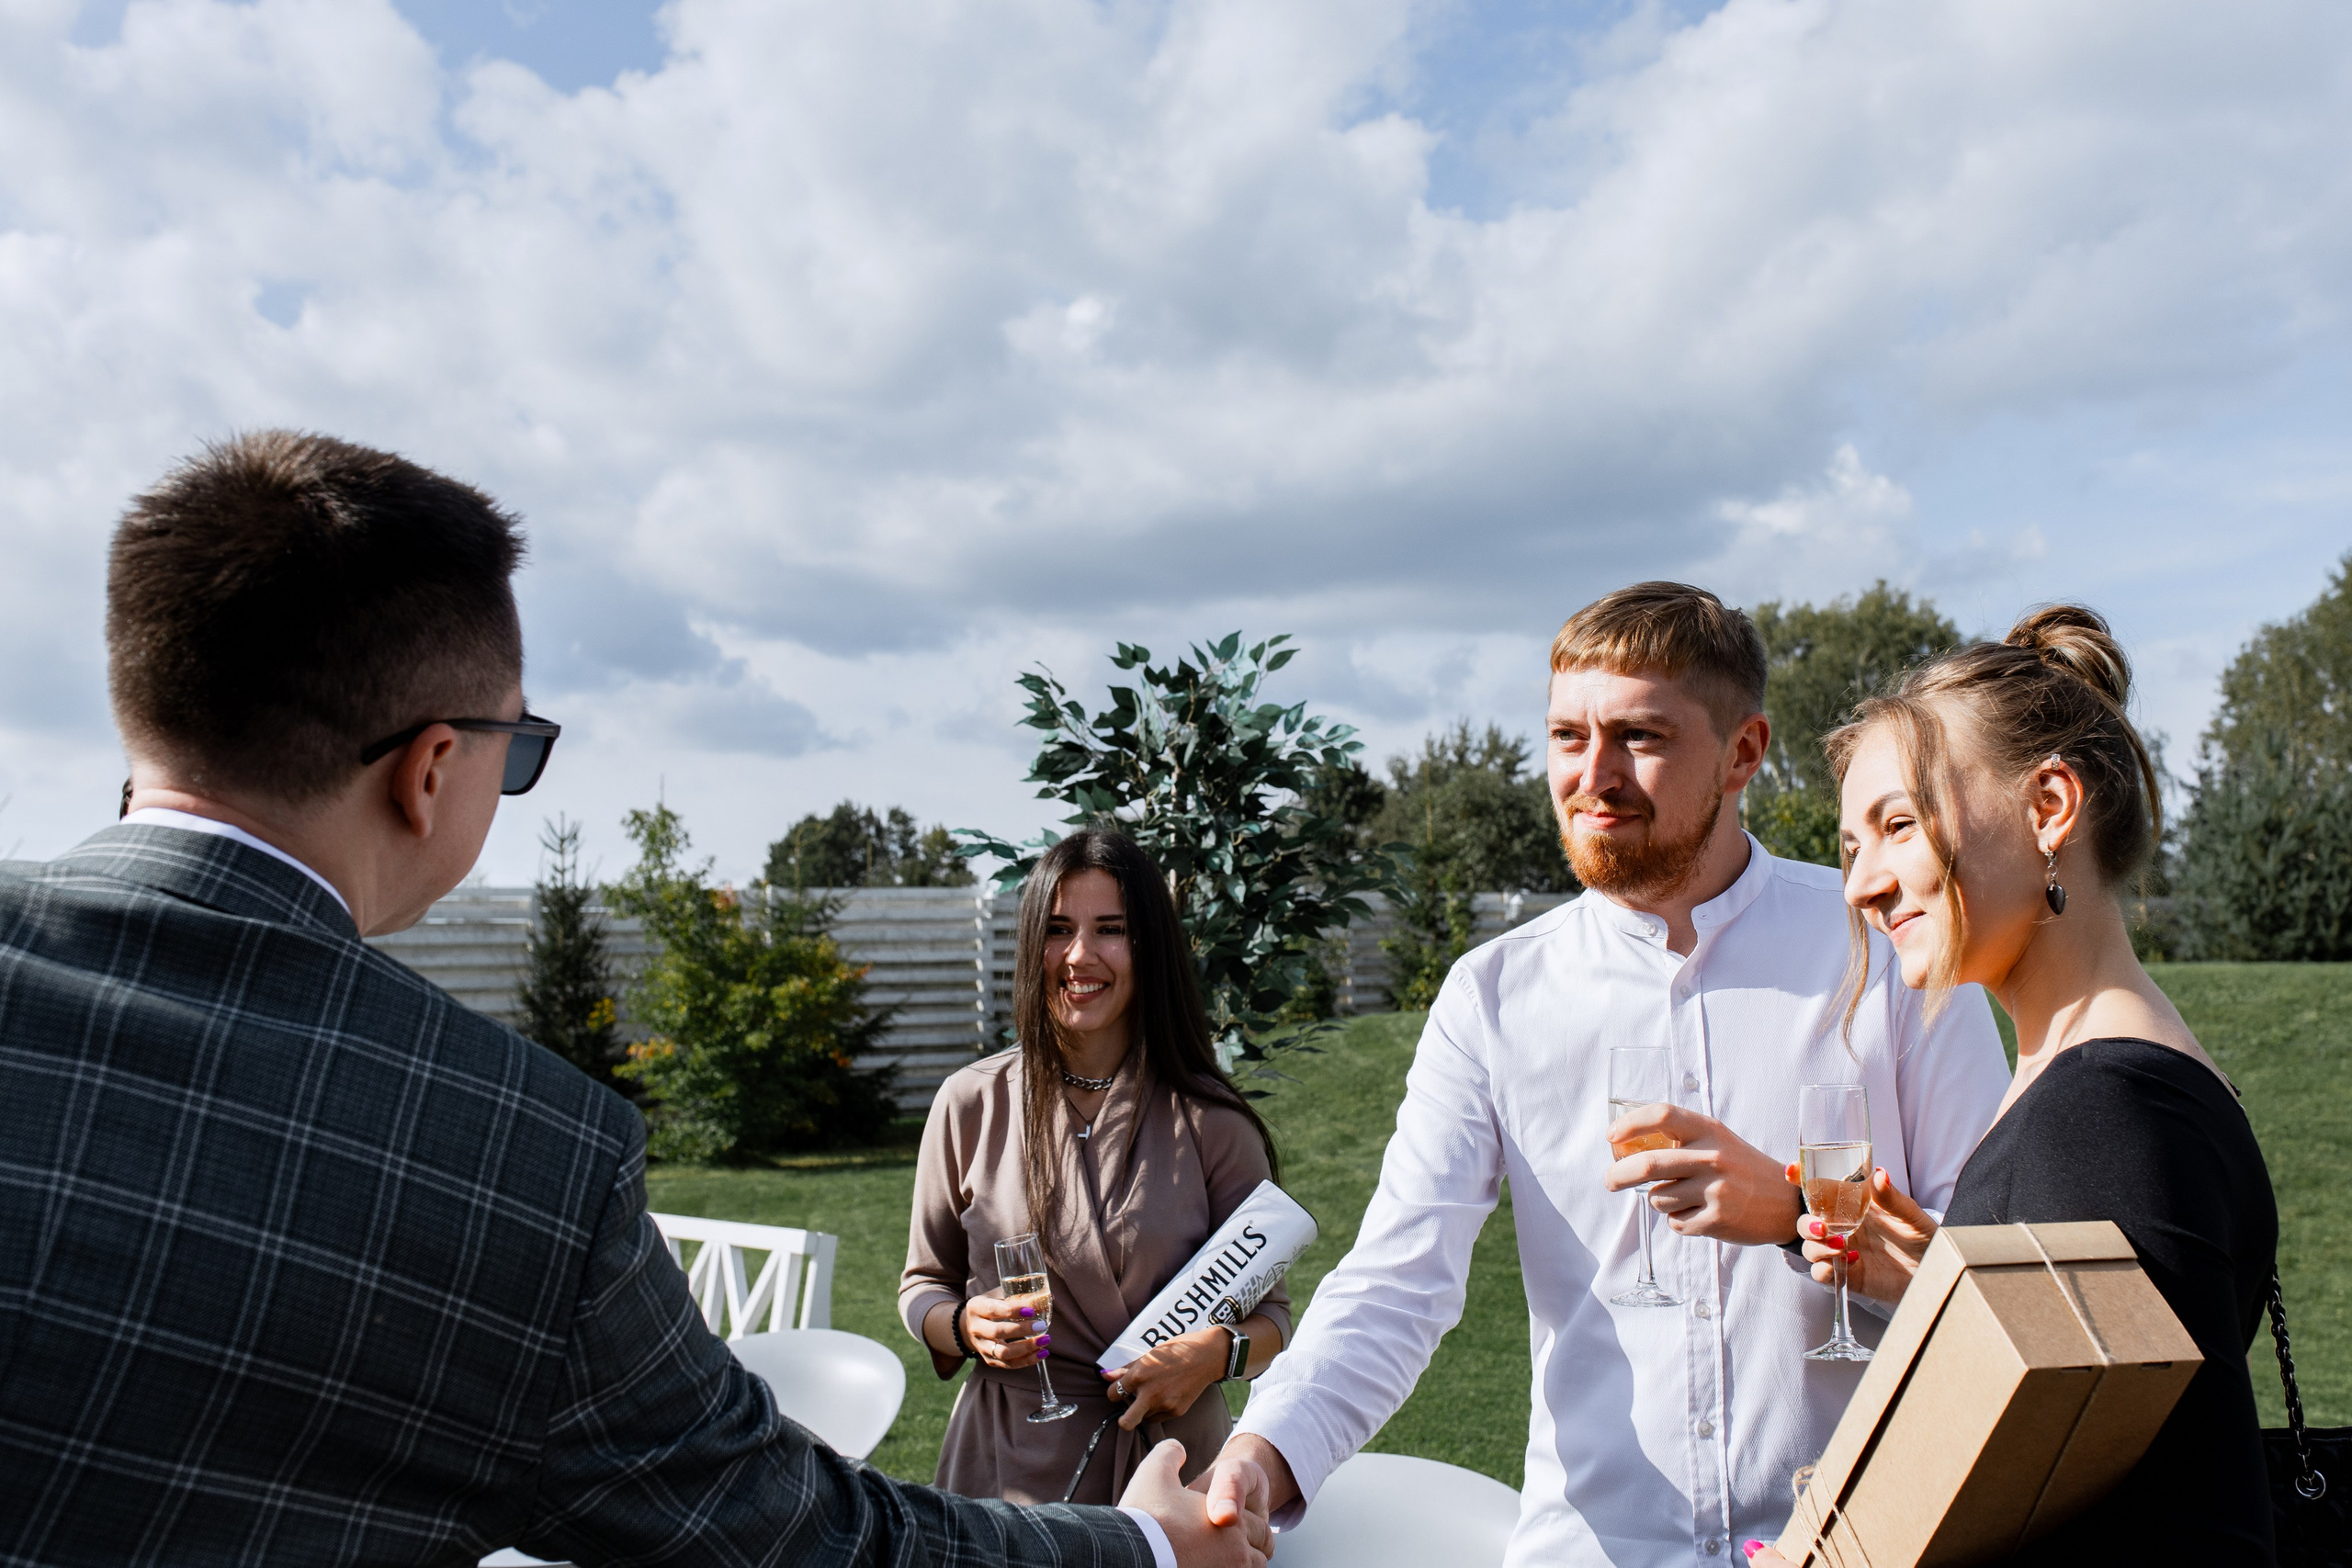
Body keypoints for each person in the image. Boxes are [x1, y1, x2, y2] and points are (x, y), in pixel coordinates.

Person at [0, 432, 1272, 1568]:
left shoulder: (1210, 1118)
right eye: (523, 749)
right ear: (435, 765)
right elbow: (792, 1536)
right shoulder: (518, 1160)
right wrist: (1144, 1556)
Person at [1195, 581, 2014, 1565]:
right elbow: (1397, 1284)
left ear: (1744, 753)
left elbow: (1989, 1279)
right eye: (1567, 737)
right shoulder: (1494, 996)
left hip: (1861, 1546)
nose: (1595, 774)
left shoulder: (1884, 954)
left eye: (1641, 737)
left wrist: (1796, 1213)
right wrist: (1258, 1452)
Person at [1746, 606, 2277, 1566]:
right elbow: (2079, 1452)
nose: (1861, 885)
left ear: (2048, 808)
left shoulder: (2102, 1109)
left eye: (1896, 825)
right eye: (1850, 845)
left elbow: (2196, 1534)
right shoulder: (2101, 1082)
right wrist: (1940, 1298)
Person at [903, 829, 1291, 1506]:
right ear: (1030, 947)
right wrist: (966, 1326)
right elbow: (922, 1287)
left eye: (1110, 929)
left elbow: (1274, 1323)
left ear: (1148, 947)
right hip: (1006, 1473)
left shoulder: (1213, 1121)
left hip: (1171, 1474)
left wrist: (1211, 1356)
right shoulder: (970, 1102)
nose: (1080, 955)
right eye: (1057, 929)